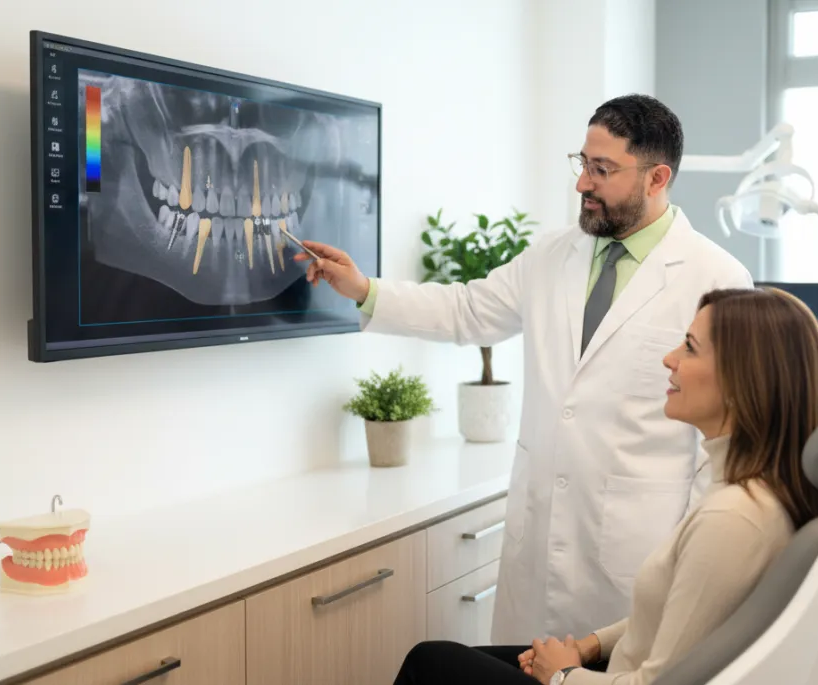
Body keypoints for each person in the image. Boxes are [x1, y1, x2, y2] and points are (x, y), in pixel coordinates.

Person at [294, 94, 754, 643]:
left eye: (602, 170)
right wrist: (364, 289)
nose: (582, 183)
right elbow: (467, 310)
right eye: (582, 163)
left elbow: (725, 436)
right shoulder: (552, 255)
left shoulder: (717, 276)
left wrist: (694, 559)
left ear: (657, 178)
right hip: (538, 548)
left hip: (638, 555)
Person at [389, 286, 818, 685]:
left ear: (741, 380)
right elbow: (673, 618)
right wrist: (588, 647)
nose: (669, 359)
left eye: (688, 347)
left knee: (430, 663)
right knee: (462, 661)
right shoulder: (758, 493)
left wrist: (563, 674)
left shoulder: (734, 519)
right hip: (611, 666)